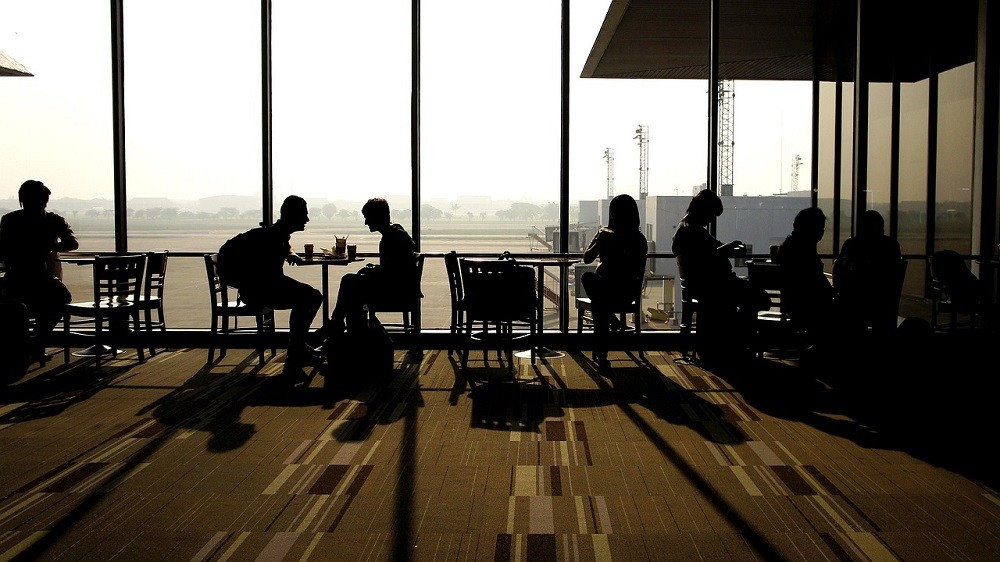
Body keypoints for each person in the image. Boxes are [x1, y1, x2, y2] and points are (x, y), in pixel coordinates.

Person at [217, 195, 323, 382]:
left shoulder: (273, 235)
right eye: (304, 215)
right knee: (312, 297)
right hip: (262, 291)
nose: (307, 219)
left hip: (261, 288)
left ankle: (296, 348)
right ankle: (296, 349)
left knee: (309, 296)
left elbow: (285, 246)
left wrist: (289, 252)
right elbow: (273, 273)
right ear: (293, 216)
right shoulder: (273, 238)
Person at [671, 189, 768, 364]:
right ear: (703, 211)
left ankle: (732, 344)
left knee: (751, 295)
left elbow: (709, 251)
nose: (709, 220)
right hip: (713, 287)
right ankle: (737, 344)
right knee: (757, 296)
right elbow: (707, 255)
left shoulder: (686, 230)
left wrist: (725, 248)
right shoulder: (693, 232)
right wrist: (728, 248)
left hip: (707, 285)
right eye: (709, 215)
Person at [0, 180, 79, 361]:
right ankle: (37, 341)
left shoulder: (10, 220)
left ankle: (25, 344)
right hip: (44, 280)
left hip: (16, 279)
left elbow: (2, 248)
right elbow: (72, 242)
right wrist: (50, 247)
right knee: (60, 299)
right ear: (45, 201)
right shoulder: (54, 220)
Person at [328, 197, 417, 334]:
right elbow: (394, 267)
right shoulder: (396, 234)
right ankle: (343, 327)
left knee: (349, 282)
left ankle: (341, 327)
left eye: (368, 217)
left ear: (377, 217)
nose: (366, 222)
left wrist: (373, 271)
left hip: (396, 290)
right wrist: (375, 269)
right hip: (401, 287)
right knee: (353, 288)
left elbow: (392, 272)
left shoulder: (392, 238)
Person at [581, 194, 648, 369]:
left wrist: (601, 238)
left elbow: (587, 259)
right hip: (626, 292)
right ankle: (609, 329)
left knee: (593, 290)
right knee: (600, 302)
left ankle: (602, 353)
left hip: (613, 289)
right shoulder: (639, 239)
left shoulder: (611, 236)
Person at [772, 207, 836, 349]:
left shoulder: (787, 249)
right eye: (820, 228)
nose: (822, 232)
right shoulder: (806, 254)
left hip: (795, 306)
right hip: (810, 309)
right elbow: (818, 286)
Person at [832, 210, 902, 337]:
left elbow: (839, 270)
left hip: (855, 301)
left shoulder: (851, 244)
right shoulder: (891, 245)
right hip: (883, 301)